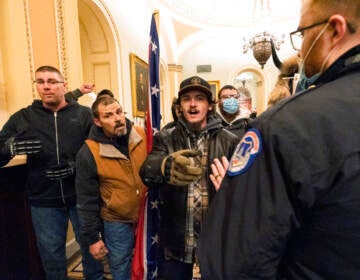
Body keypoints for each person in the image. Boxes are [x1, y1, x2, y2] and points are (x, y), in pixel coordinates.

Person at [198, 0, 360, 279]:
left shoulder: (286, 124)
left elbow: (233, 264)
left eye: (304, 33)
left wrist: (240, 196)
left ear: (335, 29)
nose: (300, 48)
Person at [0, 65, 103, 280]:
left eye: (52, 81)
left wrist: (76, 166)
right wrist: (8, 148)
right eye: (40, 81)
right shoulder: (23, 117)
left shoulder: (84, 116)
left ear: (64, 85)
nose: (46, 86)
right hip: (43, 199)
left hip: (81, 197)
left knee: (91, 252)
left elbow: (100, 152)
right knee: (51, 257)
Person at [139, 76, 239, 280]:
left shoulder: (230, 141)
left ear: (210, 106)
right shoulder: (165, 137)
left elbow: (246, 189)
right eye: (187, 99)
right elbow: (146, 171)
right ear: (179, 106)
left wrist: (232, 187)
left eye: (199, 98)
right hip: (177, 238)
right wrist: (164, 166)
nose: (193, 104)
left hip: (216, 239)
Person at [75, 95, 147, 279]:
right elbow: (86, 201)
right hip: (116, 219)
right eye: (108, 116)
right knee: (120, 265)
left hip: (148, 214)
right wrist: (93, 238)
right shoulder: (89, 151)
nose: (117, 118)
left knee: (150, 261)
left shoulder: (142, 135)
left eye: (119, 112)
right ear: (97, 121)